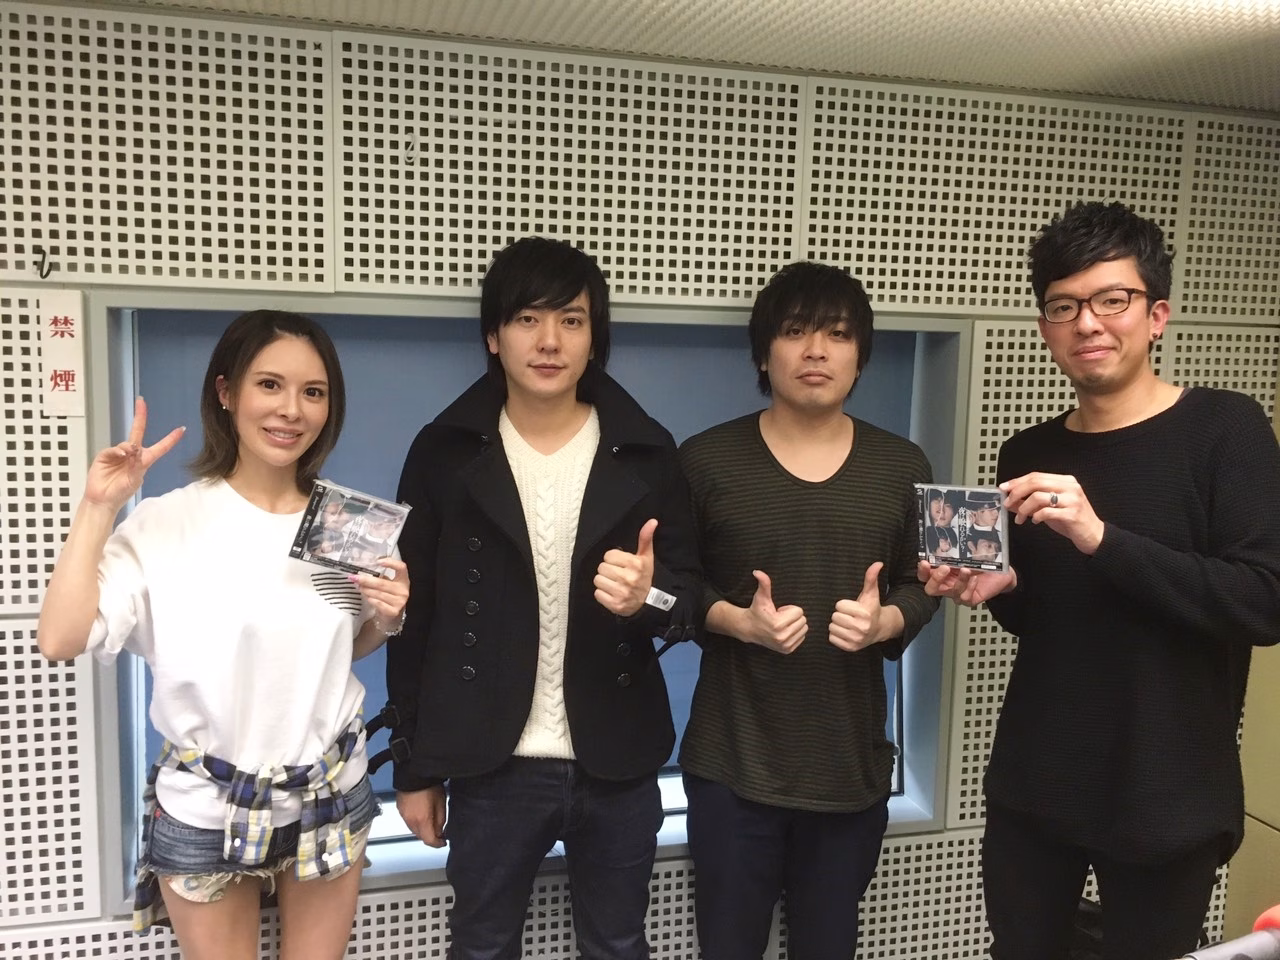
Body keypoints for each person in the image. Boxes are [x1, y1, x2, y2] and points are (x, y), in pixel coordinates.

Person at [918, 201, 1280, 960]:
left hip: (1168, 789)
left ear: (1157, 316)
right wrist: (1005, 588)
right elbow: (1054, 616)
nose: (1088, 323)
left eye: (1112, 300)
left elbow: (1261, 600)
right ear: (1045, 327)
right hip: (1036, 779)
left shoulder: (1226, 429)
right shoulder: (1028, 450)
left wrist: (1101, 538)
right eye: (1064, 306)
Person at [36, 310, 410, 960]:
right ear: (226, 392)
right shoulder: (166, 523)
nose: (291, 409)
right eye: (269, 385)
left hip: (329, 790)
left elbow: (337, 651)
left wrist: (387, 616)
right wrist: (99, 506)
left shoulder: (346, 521)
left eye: (313, 392)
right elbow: (60, 639)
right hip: (207, 805)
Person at [388, 237, 701, 960]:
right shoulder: (444, 452)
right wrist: (415, 768)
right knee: (482, 946)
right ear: (493, 336)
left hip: (617, 758)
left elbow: (689, 601)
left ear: (595, 338)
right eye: (527, 319)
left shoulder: (647, 450)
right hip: (489, 762)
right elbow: (413, 617)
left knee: (618, 945)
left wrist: (647, 598)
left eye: (571, 320)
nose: (550, 341)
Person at [677, 261, 939, 960]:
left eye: (838, 334)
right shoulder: (705, 460)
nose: (816, 350)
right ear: (764, 353)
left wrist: (888, 622)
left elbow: (922, 584)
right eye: (794, 332)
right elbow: (671, 588)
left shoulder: (903, 465)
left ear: (860, 357)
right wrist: (738, 621)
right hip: (731, 767)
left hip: (848, 771)